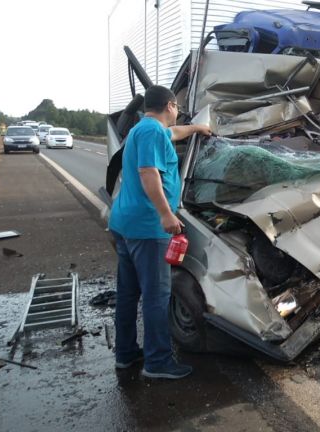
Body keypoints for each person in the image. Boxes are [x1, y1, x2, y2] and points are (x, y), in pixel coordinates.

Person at [109, 85, 211, 379]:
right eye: (176, 108)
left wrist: (197, 128)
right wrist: (166, 214)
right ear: (170, 105)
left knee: (128, 294)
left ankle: (126, 355)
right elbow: (148, 173)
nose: (178, 112)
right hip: (149, 227)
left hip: (126, 224)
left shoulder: (144, 129)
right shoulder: (152, 132)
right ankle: (157, 362)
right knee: (156, 296)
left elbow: (174, 133)